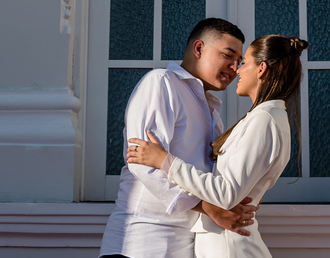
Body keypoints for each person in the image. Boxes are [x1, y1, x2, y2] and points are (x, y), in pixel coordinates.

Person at [127, 34, 309, 258]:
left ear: (261, 69)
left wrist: (165, 161)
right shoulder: (264, 117)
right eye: (230, 58)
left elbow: (225, 193)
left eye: (244, 63)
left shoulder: (265, 119)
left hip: (229, 246)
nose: (237, 71)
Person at [99, 18, 259, 258]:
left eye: (239, 61)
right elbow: (142, 164)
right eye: (228, 55)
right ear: (199, 49)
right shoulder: (161, 83)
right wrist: (208, 208)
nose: (235, 67)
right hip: (140, 241)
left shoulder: (212, 109)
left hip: (184, 244)